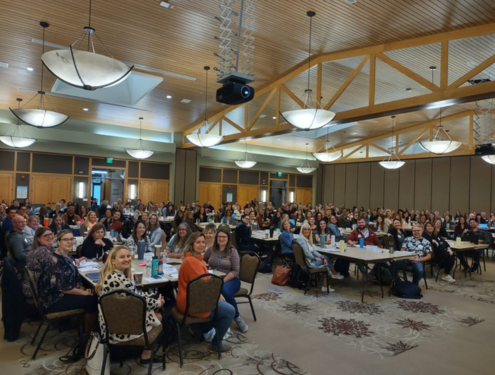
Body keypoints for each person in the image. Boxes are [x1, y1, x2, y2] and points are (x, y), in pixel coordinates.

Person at [95, 246, 164, 364]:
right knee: (159, 316)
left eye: (128, 256)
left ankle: (144, 353)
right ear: (112, 260)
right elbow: (141, 301)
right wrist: (158, 302)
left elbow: (135, 296)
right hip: (119, 329)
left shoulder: (110, 275)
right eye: (122, 257)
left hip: (110, 325)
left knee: (153, 307)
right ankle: (146, 355)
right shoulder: (118, 279)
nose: (127, 259)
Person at [27, 228, 97, 332]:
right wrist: (83, 292)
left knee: (91, 292)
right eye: (66, 240)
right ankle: (91, 335)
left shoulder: (65, 257)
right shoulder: (54, 261)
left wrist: (82, 289)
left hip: (59, 294)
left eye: (71, 239)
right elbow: (64, 288)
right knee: (92, 299)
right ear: (58, 241)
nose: (70, 242)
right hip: (53, 301)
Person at [177, 232, 235, 353]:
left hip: (191, 300)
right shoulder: (192, 262)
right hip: (193, 304)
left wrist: (218, 294)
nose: (201, 245)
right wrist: (218, 295)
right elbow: (205, 287)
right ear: (191, 244)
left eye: (203, 242)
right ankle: (216, 344)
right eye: (198, 242)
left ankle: (202, 329)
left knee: (224, 306)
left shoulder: (195, 259)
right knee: (230, 311)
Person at [203, 228, 248, 332]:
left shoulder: (233, 251)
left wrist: (222, 281)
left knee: (224, 291)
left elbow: (236, 271)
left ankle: (237, 318)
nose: (221, 239)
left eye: (224, 237)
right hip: (213, 279)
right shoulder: (211, 249)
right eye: (219, 236)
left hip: (231, 280)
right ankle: (210, 320)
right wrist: (205, 264)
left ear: (228, 238)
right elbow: (203, 260)